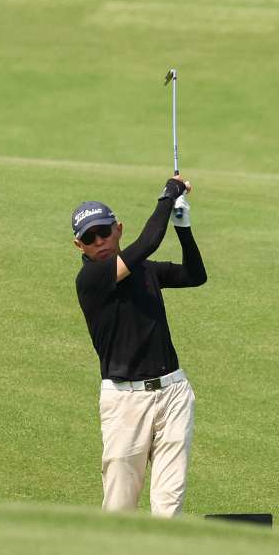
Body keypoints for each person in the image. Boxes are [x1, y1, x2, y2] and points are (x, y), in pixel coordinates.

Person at [71, 176, 207, 516]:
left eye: (104, 232)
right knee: (120, 507)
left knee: (168, 507)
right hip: (125, 402)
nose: (99, 242)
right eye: (89, 238)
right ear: (79, 246)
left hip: (173, 394)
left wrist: (183, 228)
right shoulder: (90, 280)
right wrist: (169, 194)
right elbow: (148, 242)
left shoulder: (146, 271)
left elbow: (195, 276)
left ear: (118, 229)